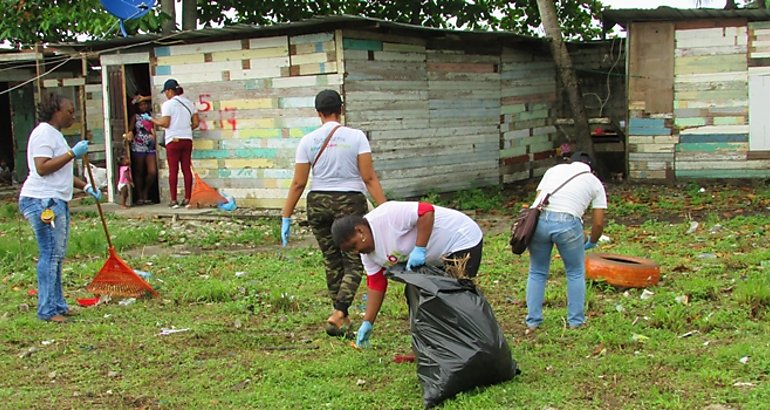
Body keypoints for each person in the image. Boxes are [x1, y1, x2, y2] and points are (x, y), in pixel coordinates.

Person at [281, 89, 387, 336]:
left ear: (318, 113)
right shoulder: (356, 137)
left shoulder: (307, 141)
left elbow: (298, 183)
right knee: (355, 261)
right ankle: (339, 312)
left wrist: (285, 215)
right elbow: (369, 177)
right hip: (349, 202)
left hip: (317, 203)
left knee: (331, 260)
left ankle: (342, 316)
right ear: (341, 109)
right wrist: (386, 208)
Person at [331, 200, 484, 347]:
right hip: (435, 257)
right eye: (350, 251)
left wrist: (420, 248)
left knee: (456, 295)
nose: (356, 252)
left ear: (360, 231)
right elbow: (376, 284)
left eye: (354, 245)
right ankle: (441, 344)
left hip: (459, 239)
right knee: (421, 295)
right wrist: (368, 322)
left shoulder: (387, 215)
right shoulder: (368, 254)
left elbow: (426, 211)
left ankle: (471, 339)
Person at [17, 94, 102, 323]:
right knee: (50, 254)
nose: (72, 116)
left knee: (57, 255)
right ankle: (47, 309)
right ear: (56, 111)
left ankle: (58, 305)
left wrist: (85, 186)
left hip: (55, 199)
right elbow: (42, 167)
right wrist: (72, 153)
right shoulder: (43, 133)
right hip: (42, 200)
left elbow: (61, 170)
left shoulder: (55, 135)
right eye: (69, 111)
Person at [525, 151, 607, 333]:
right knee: (575, 272)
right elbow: (599, 222)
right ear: (591, 168)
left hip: (539, 222)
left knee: (537, 271)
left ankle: (533, 321)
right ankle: (575, 321)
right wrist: (592, 241)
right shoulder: (594, 182)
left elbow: (538, 200)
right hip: (568, 224)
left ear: (571, 162)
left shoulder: (554, 170)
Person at [152, 79, 199, 208]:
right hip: (187, 140)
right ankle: (187, 198)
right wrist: (185, 128)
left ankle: (173, 200)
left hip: (173, 140)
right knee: (186, 169)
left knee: (173, 170)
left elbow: (165, 123)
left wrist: (153, 120)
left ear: (169, 91)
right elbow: (195, 123)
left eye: (166, 92)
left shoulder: (168, 104)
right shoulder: (189, 103)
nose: (166, 94)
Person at [124, 93, 157, 205]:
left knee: (152, 172)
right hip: (138, 146)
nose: (143, 107)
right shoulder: (136, 117)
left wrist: (144, 97)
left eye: (145, 104)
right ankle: (140, 196)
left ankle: (146, 192)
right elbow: (130, 129)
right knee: (139, 172)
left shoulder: (153, 115)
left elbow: (154, 96)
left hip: (151, 146)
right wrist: (129, 134)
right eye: (141, 105)